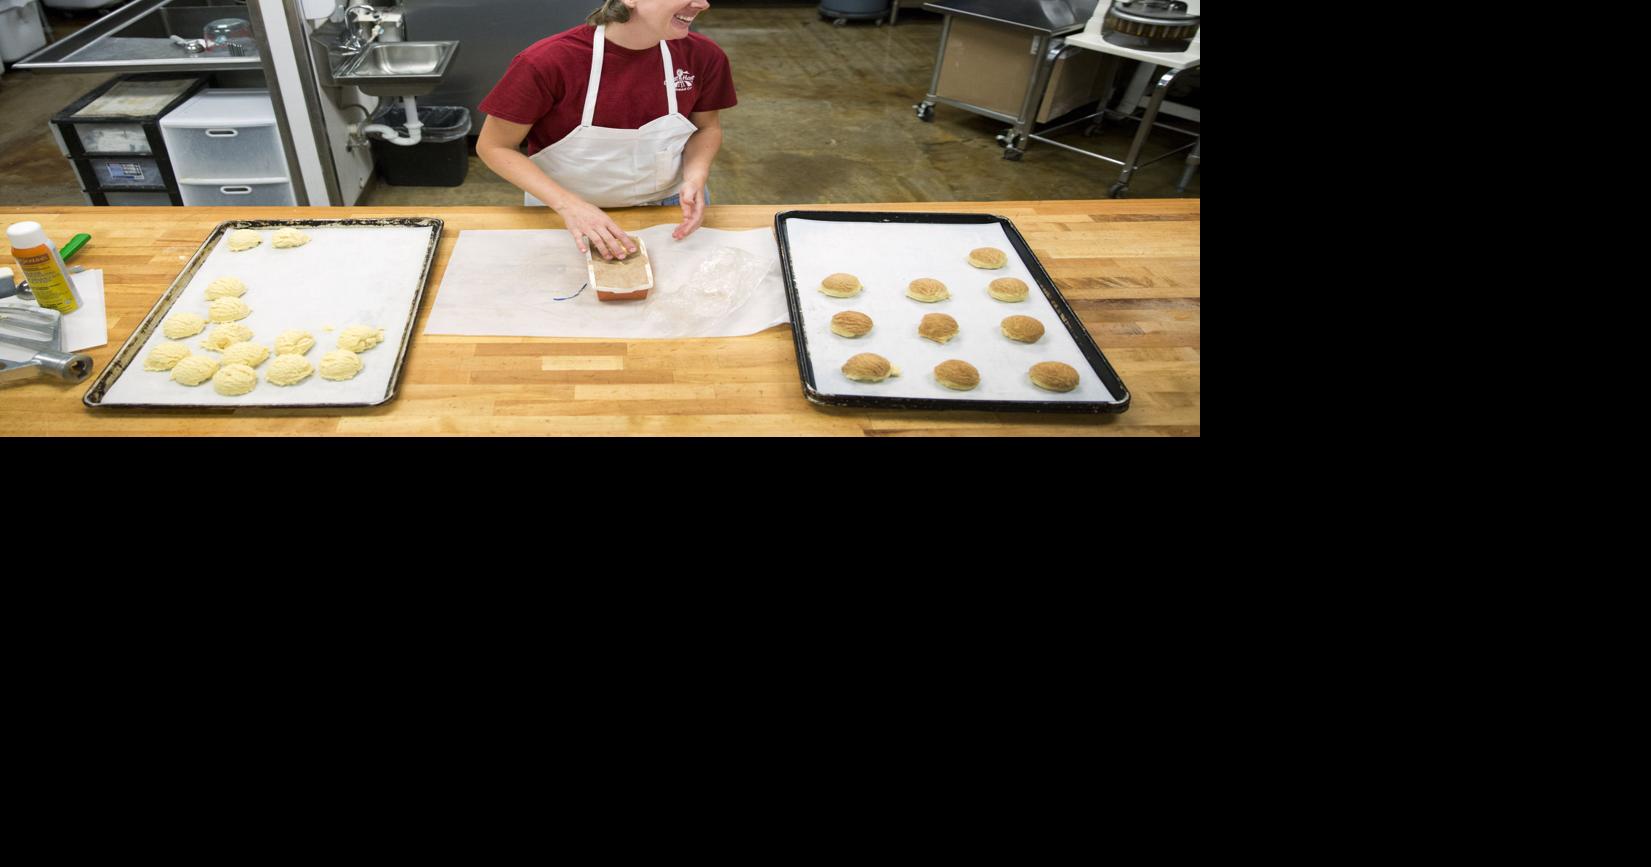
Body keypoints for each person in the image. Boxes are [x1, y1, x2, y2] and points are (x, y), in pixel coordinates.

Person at [477, 0, 736, 260]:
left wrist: (695, 176)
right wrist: (569, 206)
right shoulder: (547, 62)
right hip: (564, 213)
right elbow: (494, 146)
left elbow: (706, 127)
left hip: (669, 208)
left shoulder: (703, 56)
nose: (703, 4)